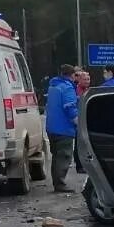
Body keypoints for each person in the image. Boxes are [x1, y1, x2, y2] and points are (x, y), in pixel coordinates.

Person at [45, 64, 80, 193]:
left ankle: (57, 182)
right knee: (64, 156)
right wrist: (78, 123)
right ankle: (60, 183)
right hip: (63, 128)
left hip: (51, 127)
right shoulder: (67, 88)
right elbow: (70, 108)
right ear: (71, 75)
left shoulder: (53, 86)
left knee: (56, 156)